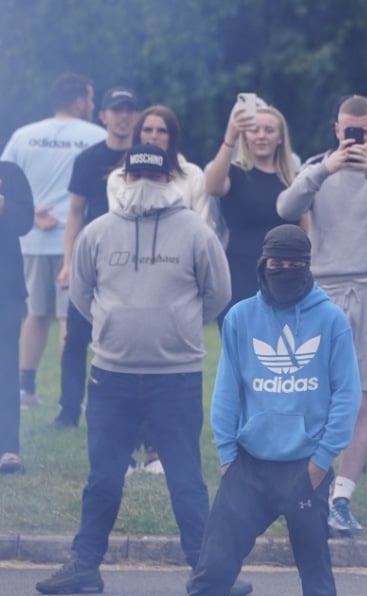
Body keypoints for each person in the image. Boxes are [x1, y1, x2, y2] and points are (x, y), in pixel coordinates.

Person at [142, 224, 359, 596]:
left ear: (307, 266)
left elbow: (347, 396)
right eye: (275, 264)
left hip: (305, 469)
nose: (283, 272)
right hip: (248, 467)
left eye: (292, 264)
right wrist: (226, 457)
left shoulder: (331, 321)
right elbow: (226, 391)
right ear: (262, 264)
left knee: (316, 575)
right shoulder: (240, 318)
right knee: (211, 570)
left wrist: (322, 463)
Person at [35, 145, 231, 595]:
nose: (143, 183)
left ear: (168, 180)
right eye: (134, 174)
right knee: (103, 477)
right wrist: (116, 324)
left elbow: (218, 293)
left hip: (175, 375)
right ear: (123, 178)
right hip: (111, 375)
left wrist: (177, 324)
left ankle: (207, 569)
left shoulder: (196, 233)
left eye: (152, 175)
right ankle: (85, 564)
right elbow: (82, 296)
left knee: (186, 478)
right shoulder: (97, 232)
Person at [276, 94, 367, 535]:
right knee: (313, 394)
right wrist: (325, 169)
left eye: (365, 131)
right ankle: (307, 488)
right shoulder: (318, 170)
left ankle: (342, 497)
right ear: (336, 129)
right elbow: (285, 208)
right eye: (348, 130)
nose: (356, 137)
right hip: (325, 290)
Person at [104, 104, 212, 475]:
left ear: (172, 136)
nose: (153, 136)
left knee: (165, 375)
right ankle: (127, 452)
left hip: (176, 279)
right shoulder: (119, 177)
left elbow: (202, 227)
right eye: (147, 130)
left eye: (161, 131)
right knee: (126, 370)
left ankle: (157, 451)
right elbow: (118, 223)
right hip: (127, 278)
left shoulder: (192, 175)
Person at [1, 73, 105, 408]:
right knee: (68, 319)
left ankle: (25, 390)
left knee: (35, 315)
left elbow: (4, 184)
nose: (91, 105)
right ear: (79, 101)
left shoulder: (23, 135)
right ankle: (69, 395)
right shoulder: (96, 137)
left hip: (29, 239)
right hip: (72, 241)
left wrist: (30, 215)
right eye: (90, 99)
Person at [54, 87, 141, 430]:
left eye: (128, 110)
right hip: (93, 257)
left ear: (136, 115)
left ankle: (128, 413)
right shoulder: (88, 159)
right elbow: (75, 213)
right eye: (116, 110)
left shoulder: (143, 156)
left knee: (131, 338)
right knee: (76, 336)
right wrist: (67, 261)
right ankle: (68, 410)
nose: (123, 116)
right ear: (102, 115)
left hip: (135, 258)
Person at [206, 100, 297, 316]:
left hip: (286, 275)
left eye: (269, 130)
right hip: (241, 274)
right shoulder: (235, 174)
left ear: (280, 137)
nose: (261, 136)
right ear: (245, 136)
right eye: (254, 130)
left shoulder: (292, 178)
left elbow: (304, 227)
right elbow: (212, 187)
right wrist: (230, 137)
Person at [0, 162, 35, 474]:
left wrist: (3, 205)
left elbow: (26, 222)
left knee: (5, 367)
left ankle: (8, 448)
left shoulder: (9, 174)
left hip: (5, 289)